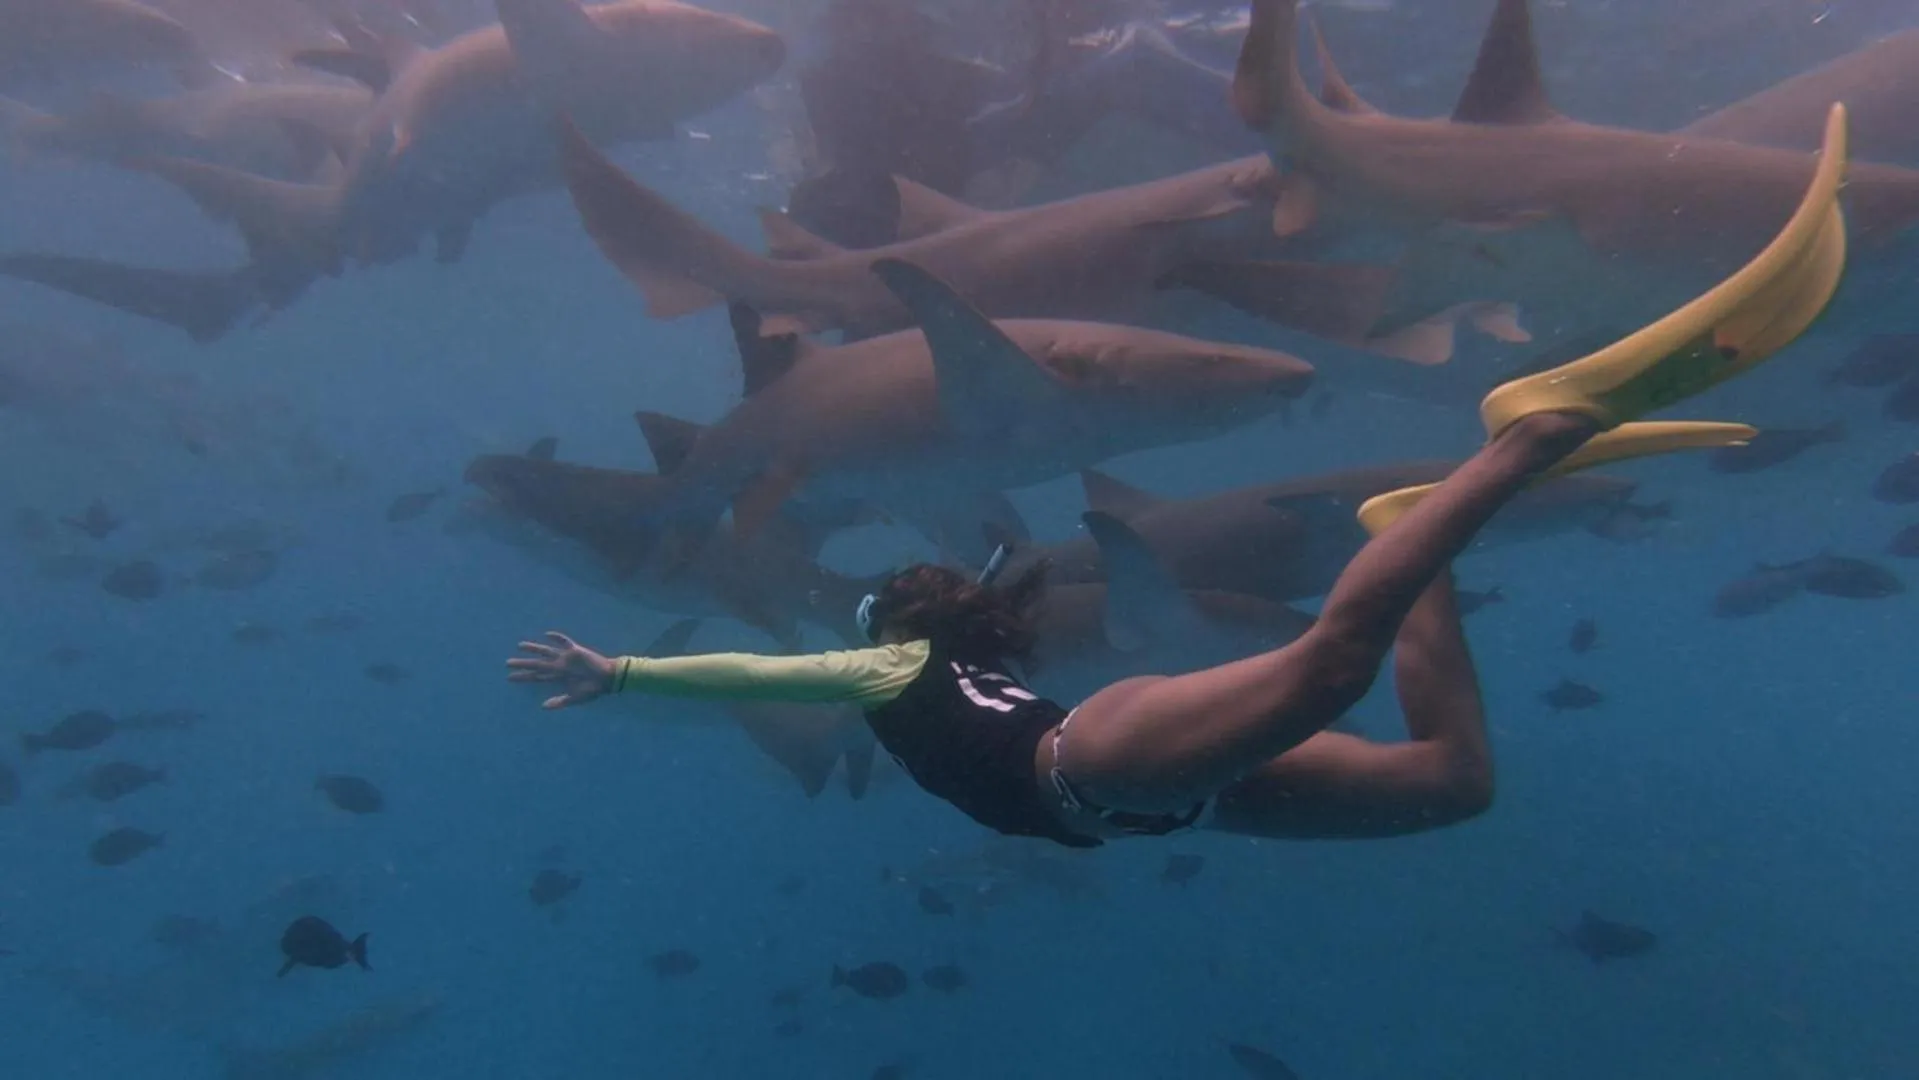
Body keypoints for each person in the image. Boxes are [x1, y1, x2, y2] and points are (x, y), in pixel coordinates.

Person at [507, 106, 1850, 849]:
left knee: (1330, 663)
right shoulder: (931, 648)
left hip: (1099, 761)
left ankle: (1509, 450)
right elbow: (778, 666)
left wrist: (623, 675)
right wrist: (625, 674)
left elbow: (756, 673)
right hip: (1153, 797)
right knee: (1449, 785)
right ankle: (1407, 532)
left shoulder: (891, 669)